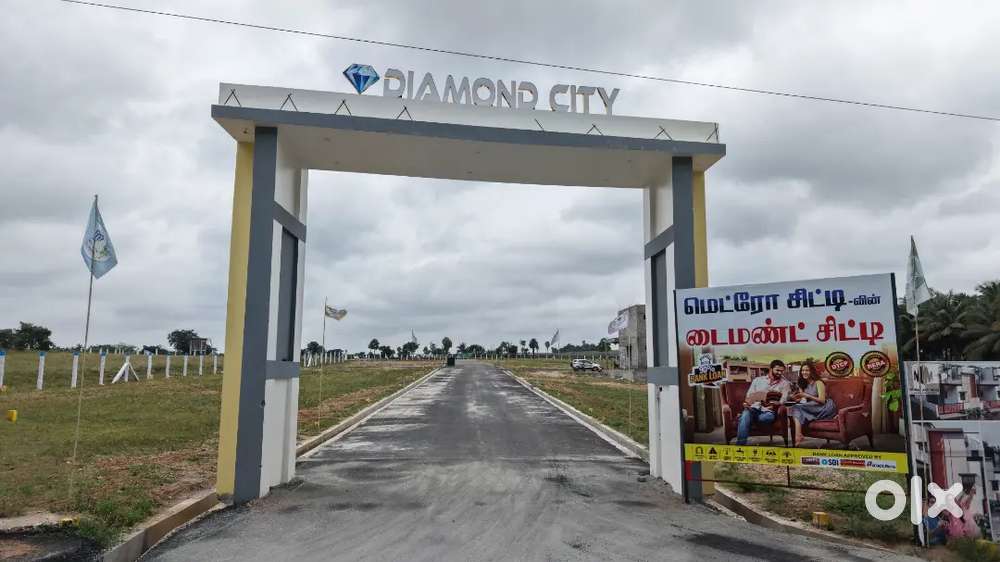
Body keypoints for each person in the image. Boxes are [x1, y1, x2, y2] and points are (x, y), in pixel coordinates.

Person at [736, 359, 791, 445]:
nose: (780, 373)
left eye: (781, 371)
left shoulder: (785, 384)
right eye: (777, 370)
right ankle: (740, 445)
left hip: (769, 411)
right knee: (747, 414)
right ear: (771, 369)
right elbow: (749, 396)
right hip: (754, 408)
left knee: (764, 418)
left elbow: (784, 399)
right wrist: (748, 402)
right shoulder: (757, 380)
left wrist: (777, 403)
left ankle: (744, 418)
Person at [789, 361, 837, 446]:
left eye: (807, 370)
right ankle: (798, 435)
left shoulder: (818, 382)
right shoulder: (802, 383)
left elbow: (822, 400)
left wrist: (807, 395)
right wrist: (796, 399)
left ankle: (798, 435)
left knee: (796, 408)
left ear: (812, 371)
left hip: (825, 407)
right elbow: (804, 400)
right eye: (803, 370)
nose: (804, 372)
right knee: (795, 407)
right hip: (813, 406)